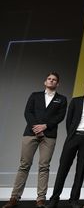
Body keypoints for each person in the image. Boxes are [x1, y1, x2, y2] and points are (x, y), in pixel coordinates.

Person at [2, 72, 67, 208]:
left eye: (54, 80)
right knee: (24, 165)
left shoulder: (62, 99)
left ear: (58, 84)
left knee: (44, 167)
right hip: (30, 133)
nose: (51, 81)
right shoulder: (35, 95)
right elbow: (28, 112)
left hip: (49, 136)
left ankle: (41, 199)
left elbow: (60, 116)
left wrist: (45, 126)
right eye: (49, 79)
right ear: (45, 82)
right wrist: (37, 128)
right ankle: (14, 198)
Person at [47, 77, 84, 208]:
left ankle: (74, 199)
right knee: (63, 168)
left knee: (81, 170)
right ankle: (54, 199)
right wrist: (72, 134)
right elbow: (69, 120)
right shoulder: (75, 101)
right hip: (73, 137)